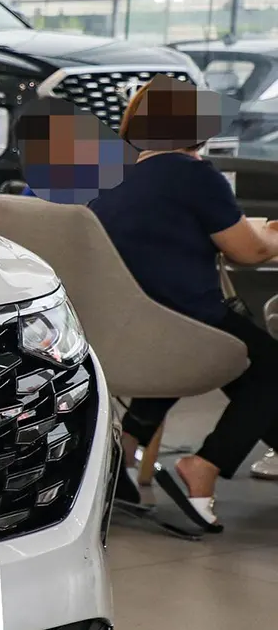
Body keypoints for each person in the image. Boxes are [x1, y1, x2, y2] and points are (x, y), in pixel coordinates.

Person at [90, 75, 278, 532]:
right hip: (184, 323)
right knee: (270, 367)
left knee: (205, 350)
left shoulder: (113, 179)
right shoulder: (193, 175)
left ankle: (125, 447)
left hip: (127, 329)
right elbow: (248, 250)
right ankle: (205, 465)